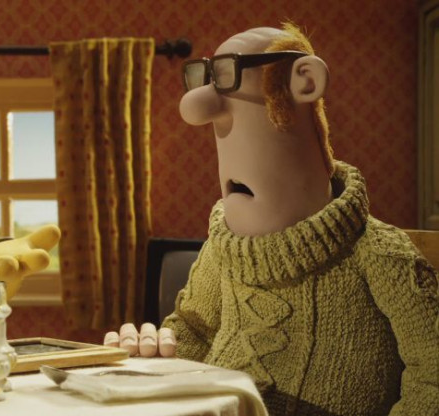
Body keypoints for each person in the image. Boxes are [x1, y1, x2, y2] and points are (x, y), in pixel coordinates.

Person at [105, 24, 439, 415]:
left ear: (306, 80)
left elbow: (432, 376)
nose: (196, 107)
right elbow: (194, 329)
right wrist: (154, 364)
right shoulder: (222, 250)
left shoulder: (382, 256)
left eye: (230, 75)